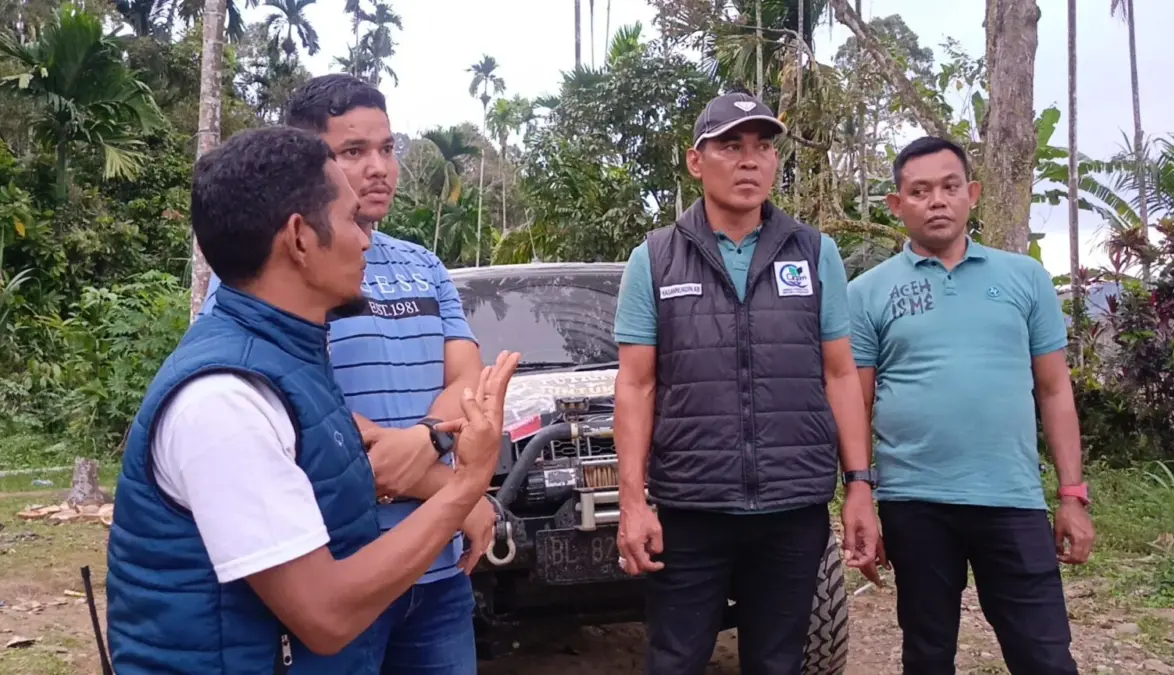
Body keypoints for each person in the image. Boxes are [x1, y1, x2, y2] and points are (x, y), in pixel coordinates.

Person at [104, 125, 521, 674]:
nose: (368, 240)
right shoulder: (225, 401)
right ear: (300, 239)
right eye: (350, 220)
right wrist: (468, 483)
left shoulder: (291, 358)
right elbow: (326, 614)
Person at [202, 74, 490, 674]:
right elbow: (303, 410)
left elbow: (467, 379)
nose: (379, 168)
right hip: (336, 568)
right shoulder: (273, 271)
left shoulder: (424, 265)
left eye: (388, 148)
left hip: (437, 570)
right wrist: (454, 489)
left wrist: (424, 442)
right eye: (353, 152)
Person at [612, 91, 880, 675]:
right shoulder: (655, 259)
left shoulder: (814, 253)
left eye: (762, 147)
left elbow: (840, 373)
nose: (750, 160)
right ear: (695, 160)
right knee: (675, 659)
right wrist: (633, 503)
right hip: (690, 507)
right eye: (731, 146)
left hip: (792, 506)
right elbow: (635, 387)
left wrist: (859, 483)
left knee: (778, 662)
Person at [847, 136, 1095, 675]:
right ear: (897, 204)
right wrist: (859, 491)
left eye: (949, 186)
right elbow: (855, 400)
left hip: (1012, 498)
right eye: (920, 190)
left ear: (972, 194)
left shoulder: (1024, 278)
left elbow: (1055, 392)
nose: (936, 200)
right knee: (928, 653)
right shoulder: (867, 292)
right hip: (915, 502)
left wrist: (1072, 495)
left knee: (1045, 656)